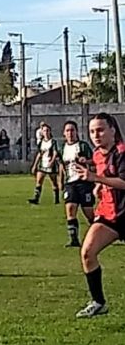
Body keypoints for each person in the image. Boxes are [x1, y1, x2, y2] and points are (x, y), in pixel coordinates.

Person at [73, 113, 125, 318]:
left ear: (113, 130)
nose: (96, 135)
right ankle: (98, 302)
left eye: (101, 130)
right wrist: (97, 186)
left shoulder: (122, 153)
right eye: (92, 131)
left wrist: (96, 178)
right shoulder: (97, 154)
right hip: (109, 215)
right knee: (87, 252)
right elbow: (106, 177)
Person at [59, 121, 95, 248]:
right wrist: (61, 182)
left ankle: (102, 232)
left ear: (76, 132)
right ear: (64, 133)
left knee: (89, 212)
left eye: (72, 130)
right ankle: (74, 239)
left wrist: (87, 161)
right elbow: (62, 166)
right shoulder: (62, 148)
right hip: (70, 183)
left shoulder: (82, 146)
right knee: (70, 209)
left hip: (84, 182)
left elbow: (95, 160)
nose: (70, 133)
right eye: (67, 130)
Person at [29, 123, 61, 205]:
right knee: (39, 181)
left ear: (50, 131)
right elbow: (39, 154)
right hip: (42, 164)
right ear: (42, 132)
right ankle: (36, 199)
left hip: (50, 165)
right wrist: (34, 165)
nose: (46, 132)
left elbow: (55, 153)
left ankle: (56, 199)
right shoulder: (41, 143)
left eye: (47, 130)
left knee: (54, 182)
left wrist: (52, 162)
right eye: (44, 131)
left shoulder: (53, 142)